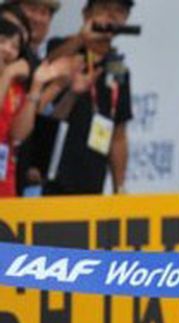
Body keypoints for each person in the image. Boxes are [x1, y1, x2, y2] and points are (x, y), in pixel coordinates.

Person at [42, 0, 134, 196]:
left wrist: (119, 187)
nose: (110, 16)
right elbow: (46, 68)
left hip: (92, 182)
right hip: (51, 174)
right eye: (103, 9)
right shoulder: (63, 47)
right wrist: (81, 38)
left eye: (119, 11)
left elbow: (118, 135)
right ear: (86, 14)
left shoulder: (119, 68)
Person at [0, 18, 67, 198]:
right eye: (2, 41)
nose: (8, 49)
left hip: (5, 180)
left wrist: (36, 85)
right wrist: (7, 75)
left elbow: (18, 134)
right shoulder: (9, 77)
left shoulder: (16, 88)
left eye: (14, 46)